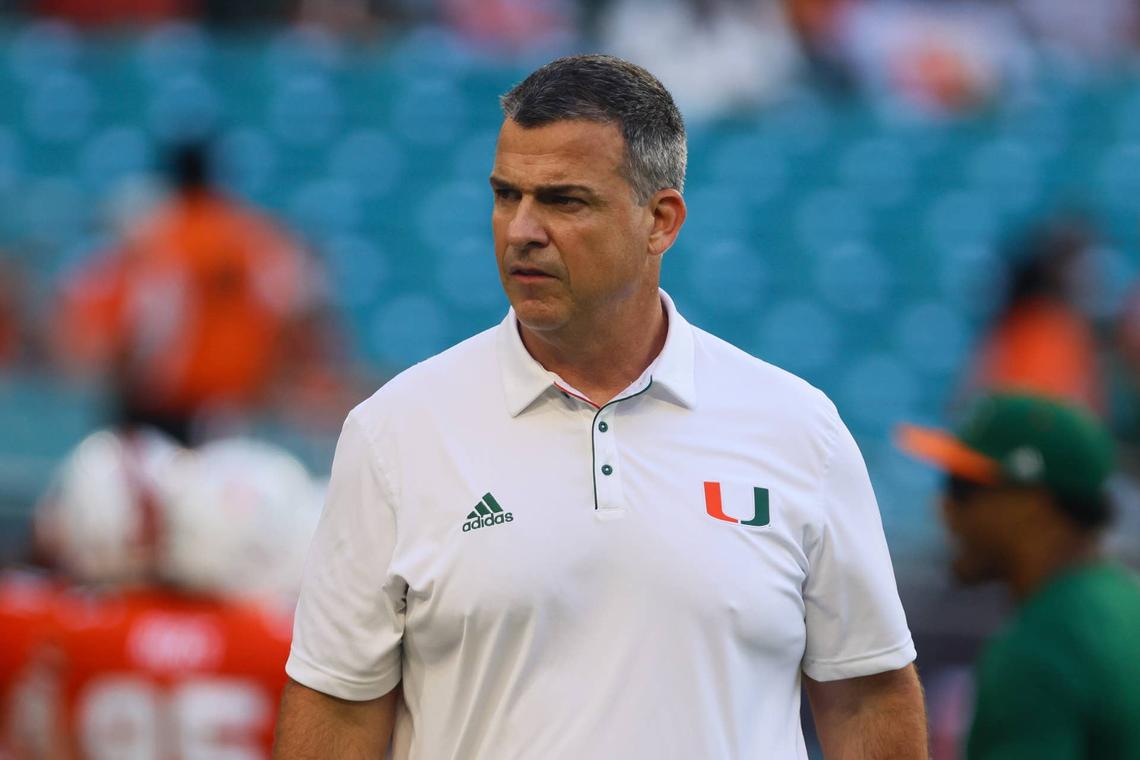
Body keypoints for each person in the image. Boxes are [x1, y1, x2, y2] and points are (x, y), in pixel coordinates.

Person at [276, 54, 926, 759]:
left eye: (563, 201)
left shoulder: (800, 431)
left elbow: (866, 693)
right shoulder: (394, 432)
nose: (521, 229)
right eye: (505, 195)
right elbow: (337, 708)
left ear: (660, 221)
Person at [898, 393, 1140, 759]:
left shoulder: (1043, 645)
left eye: (964, 488)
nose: (944, 506)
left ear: (1033, 505)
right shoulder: (1124, 602)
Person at [56, 141, 316, 444]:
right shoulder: (250, 235)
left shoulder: (157, 236)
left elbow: (139, 326)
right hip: (229, 404)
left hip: (164, 404)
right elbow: (296, 312)